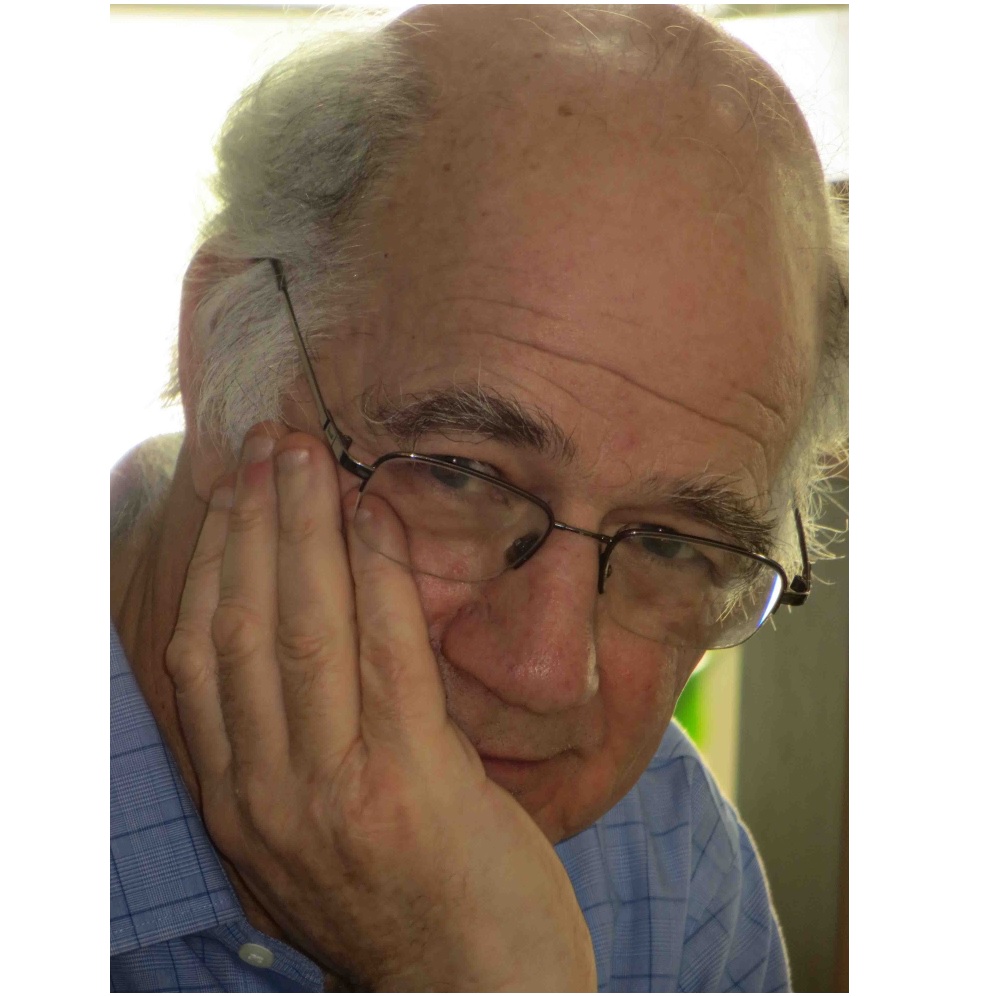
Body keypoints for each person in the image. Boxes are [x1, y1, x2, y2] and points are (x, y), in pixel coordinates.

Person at [110, 4, 848, 991]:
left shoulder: (672, 861)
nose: (544, 673)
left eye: (670, 545)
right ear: (222, 353)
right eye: (462, 476)